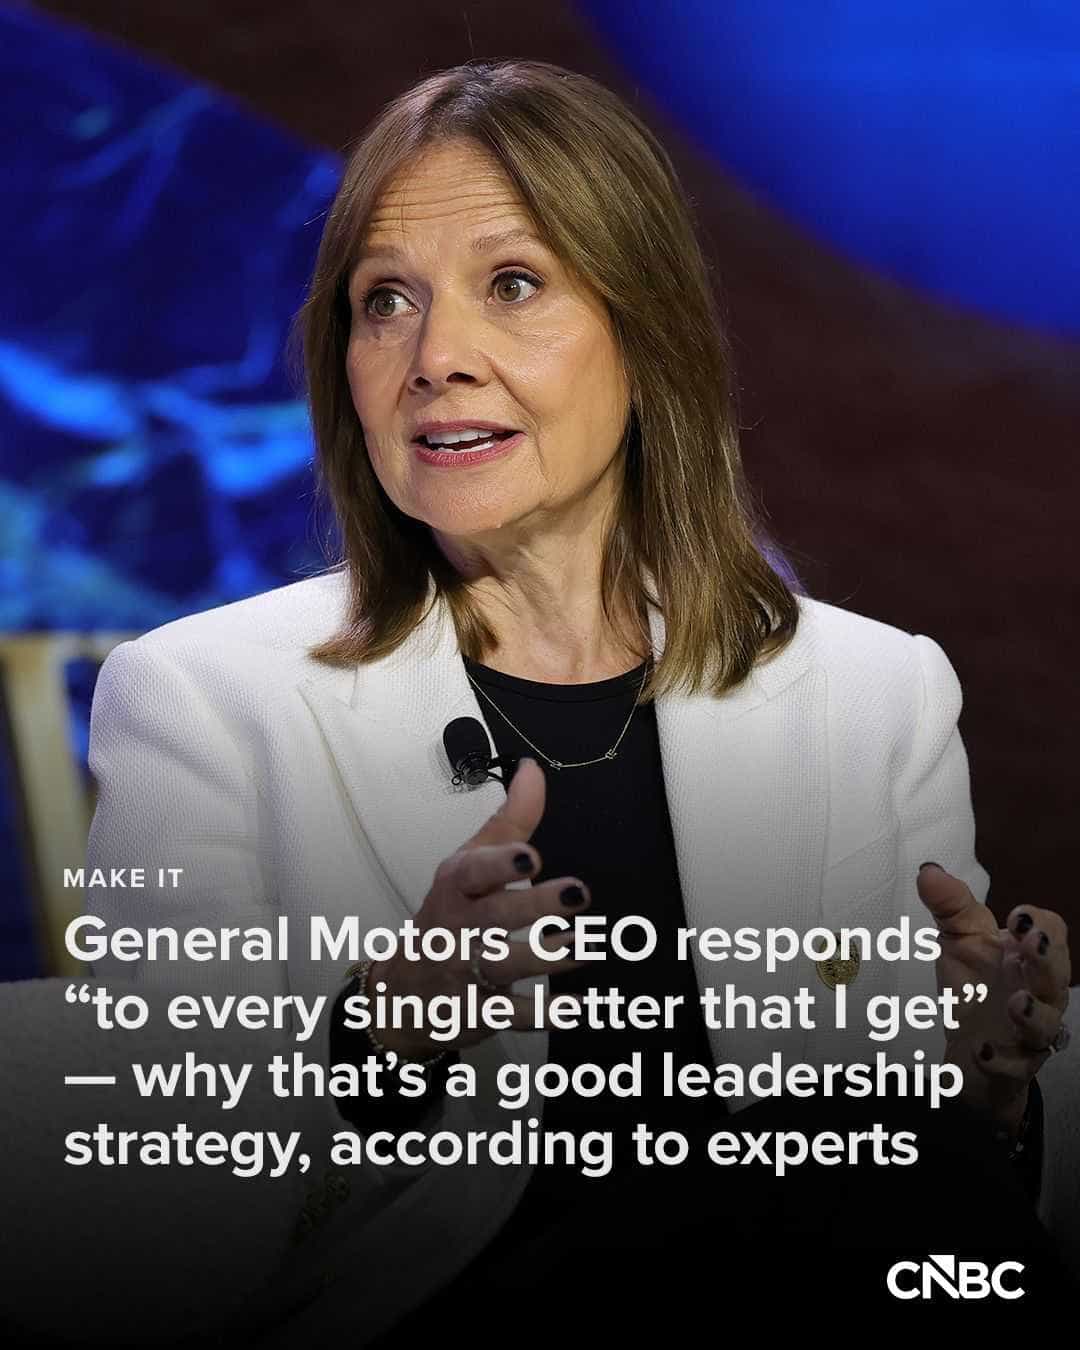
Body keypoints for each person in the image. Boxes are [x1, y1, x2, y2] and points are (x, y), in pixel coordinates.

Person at [85, 60, 1073, 1340]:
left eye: (512, 285)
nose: (437, 358)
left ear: (643, 330)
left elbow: (940, 1206)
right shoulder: (203, 702)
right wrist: (383, 1042)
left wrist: (989, 1096)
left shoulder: (874, 693)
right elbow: (150, 1232)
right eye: (386, 302)